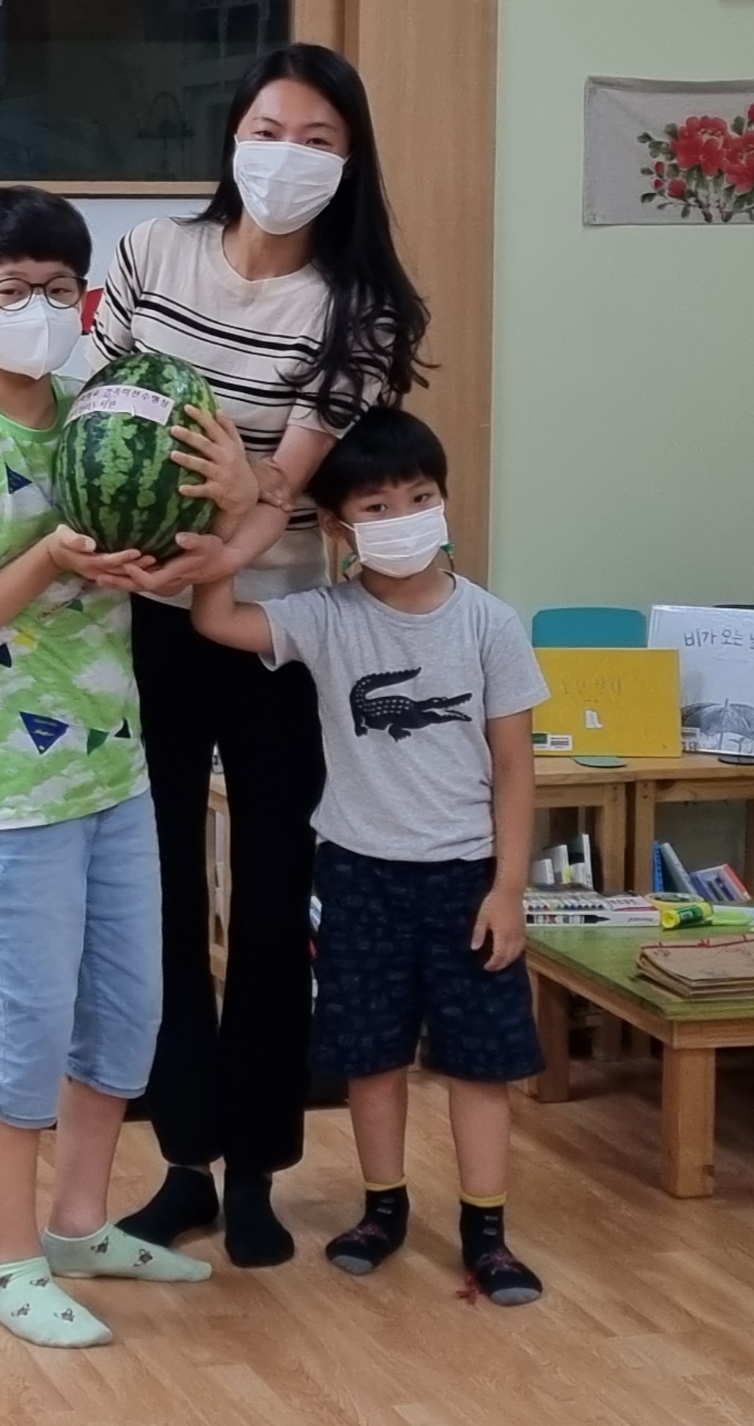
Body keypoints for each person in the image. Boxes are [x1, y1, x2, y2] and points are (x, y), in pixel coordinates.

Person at [0, 185, 256, 1348]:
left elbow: (190, 543)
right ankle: (8, 1261)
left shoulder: (111, 413)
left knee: (124, 1018)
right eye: (9, 290)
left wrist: (226, 504)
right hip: (7, 797)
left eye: (57, 289)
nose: (36, 310)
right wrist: (47, 558)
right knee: (27, 1029)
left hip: (114, 775)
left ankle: (80, 1224)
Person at [89, 43, 430, 1266]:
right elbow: (100, 417)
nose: (287, 157)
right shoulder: (147, 254)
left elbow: (281, 487)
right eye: (268, 131)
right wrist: (133, 559)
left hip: (279, 630)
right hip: (140, 613)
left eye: (318, 140)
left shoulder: (360, 307)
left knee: (276, 892)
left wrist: (218, 545)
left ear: (350, 160)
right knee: (161, 889)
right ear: (231, 137)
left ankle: (256, 1172)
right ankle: (182, 1159)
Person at [186, 407, 549, 1305]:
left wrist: (508, 886)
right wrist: (235, 519)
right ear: (339, 528)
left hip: (466, 877)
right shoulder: (324, 617)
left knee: (479, 1061)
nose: (405, 518)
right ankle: (382, 1207)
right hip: (358, 874)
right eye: (377, 506)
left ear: (445, 500)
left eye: (420, 497)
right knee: (370, 1056)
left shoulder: (489, 624)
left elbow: (514, 767)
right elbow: (215, 618)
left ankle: (486, 1229)